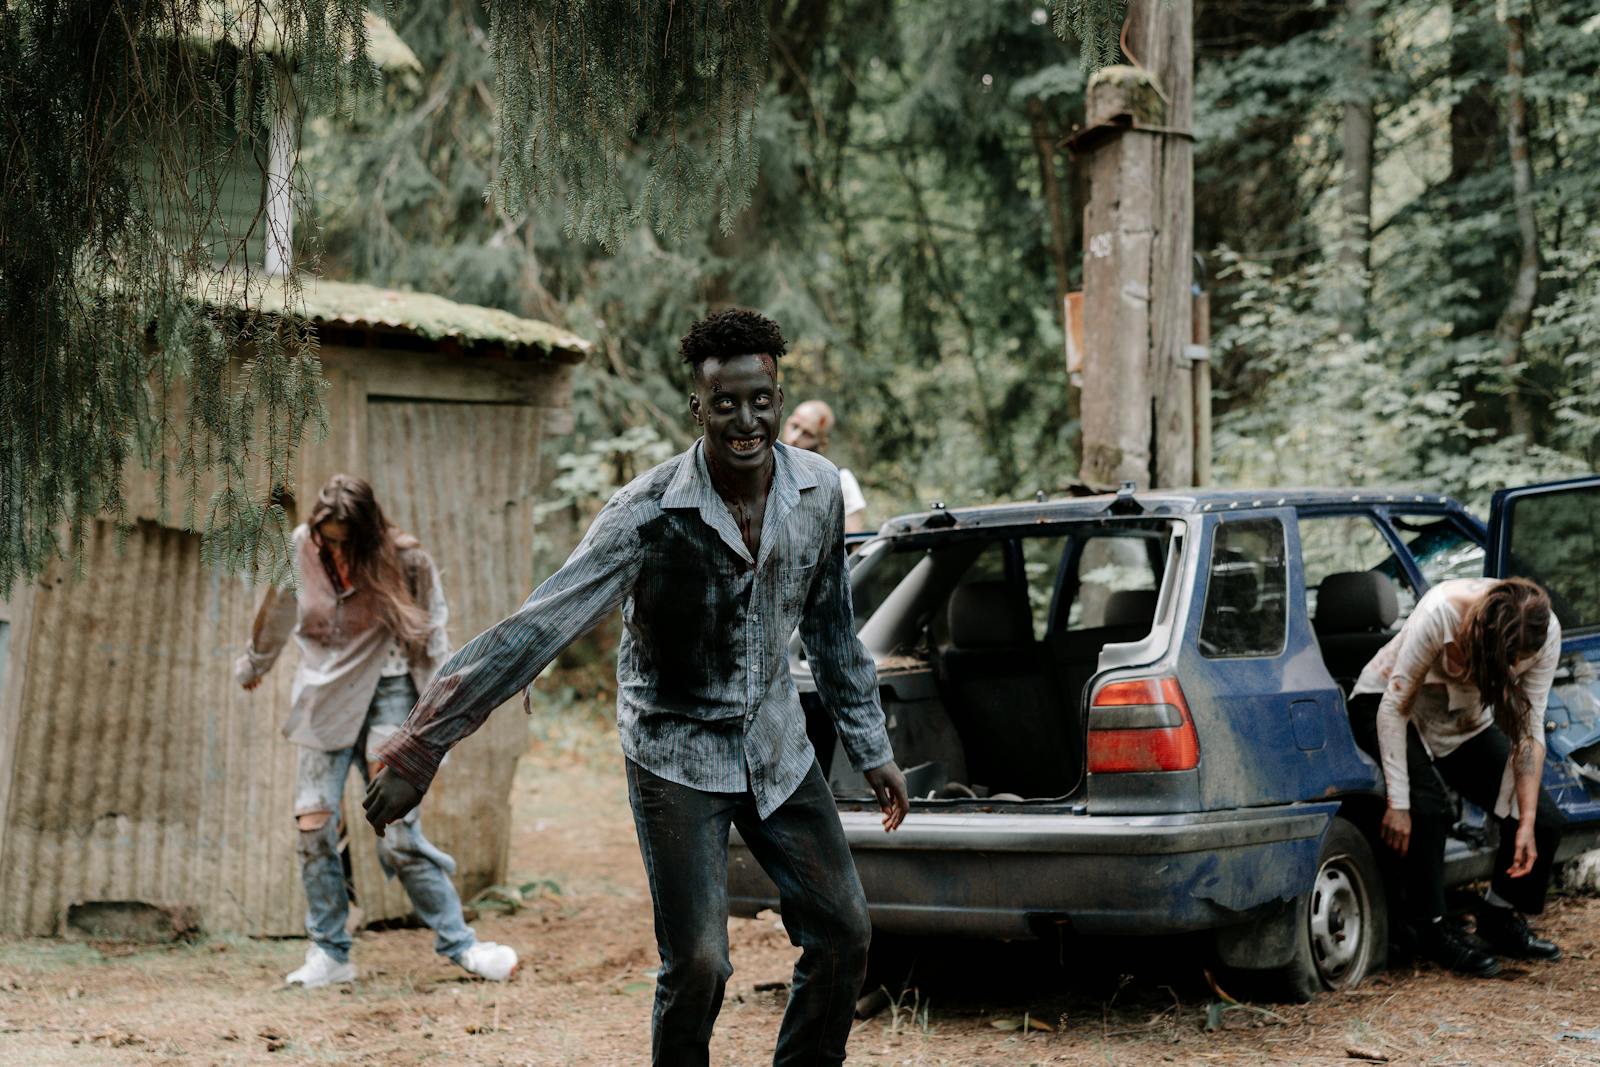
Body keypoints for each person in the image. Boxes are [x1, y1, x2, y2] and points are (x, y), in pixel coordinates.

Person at [363, 308, 909, 1066]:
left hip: (776, 747)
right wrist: (422, 744)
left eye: (761, 399)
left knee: (846, 931)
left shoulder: (816, 492)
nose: (746, 419)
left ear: (779, 397)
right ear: (699, 407)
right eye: (726, 402)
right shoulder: (646, 514)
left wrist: (869, 742)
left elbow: (832, 630)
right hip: (675, 754)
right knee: (699, 964)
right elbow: (536, 629)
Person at [236, 474, 518, 988]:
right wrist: (255, 663)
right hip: (325, 697)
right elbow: (279, 606)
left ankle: (463, 947)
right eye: (329, 540)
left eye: (347, 542)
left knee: (397, 835)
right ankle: (330, 953)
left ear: (368, 535)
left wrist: (437, 722)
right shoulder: (301, 546)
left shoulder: (405, 559)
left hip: (390, 694)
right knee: (314, 826)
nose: (336, 553)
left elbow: (434, 636)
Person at [1347, 576, 1564, 978]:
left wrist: (1526, 821)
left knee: (1543, 821)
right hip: (1388, 702)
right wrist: (1399, 802)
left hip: (1461, 718)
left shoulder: (1545, 632)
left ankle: (1497, 918)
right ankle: (1431, 930)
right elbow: (1393, 708)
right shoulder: (1440, 612)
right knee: (1428, 808)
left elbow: (1529, 733)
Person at [781, 399, 868, 533]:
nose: (794, 438)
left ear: (822, 445)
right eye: (794, 426)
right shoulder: (764, 470)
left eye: (807, 434)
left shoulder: (840, 480)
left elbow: (852, 543)